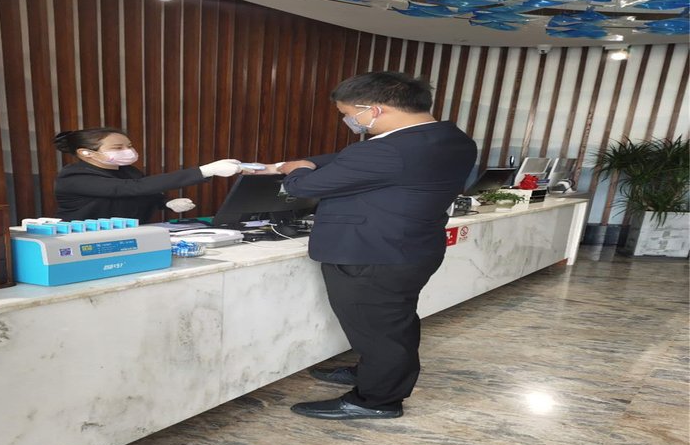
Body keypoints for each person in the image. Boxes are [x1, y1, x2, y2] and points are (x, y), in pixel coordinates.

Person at [247, 71, 477, 420]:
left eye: (348, 113)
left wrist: (295, 169)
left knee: (379, 331)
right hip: (410, 248)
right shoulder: (449, 138)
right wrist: (297, 163)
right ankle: (373, 372)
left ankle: (376, 400)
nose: (349, 121)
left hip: (370, 254)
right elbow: (347, 159)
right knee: (392, 323)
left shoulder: (388, 150)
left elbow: (303, 187)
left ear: (375, 109)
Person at [53, 127, 241, 223]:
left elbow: (143, 193)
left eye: (129, 146)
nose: (127, 151)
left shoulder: (127, 170)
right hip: (84, 239)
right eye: (118, 148)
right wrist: (204, 171)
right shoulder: (73, 178)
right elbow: (131, 188)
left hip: (129, 234)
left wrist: (165, 203)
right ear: (86, 153)